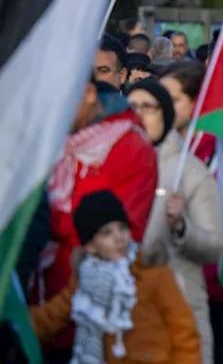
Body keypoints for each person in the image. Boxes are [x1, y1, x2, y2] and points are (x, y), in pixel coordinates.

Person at [41, 80, 159, 359]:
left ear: (89, 93)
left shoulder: (131, 146)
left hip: (98, 312)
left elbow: (121, 234)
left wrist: (47, 220)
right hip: (48, 303)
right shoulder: (56, 143)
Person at [30, 190, 201, 364]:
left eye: (123, 228)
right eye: (107, 233)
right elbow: (51, 318)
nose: (119, 237)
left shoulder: (154, 273)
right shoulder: (84, 281)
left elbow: (184, 331)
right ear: (90, 246)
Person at [140, 76, 223, 364]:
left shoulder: (190, 171)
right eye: (133, 107)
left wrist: (181, 226)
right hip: (125, 314)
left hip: (179, 307)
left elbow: (214, 246)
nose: (139, 114)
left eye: (148, 107)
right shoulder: (109, 162)